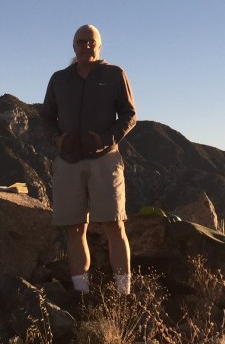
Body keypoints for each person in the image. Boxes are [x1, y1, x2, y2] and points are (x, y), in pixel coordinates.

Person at [39, 24, 137, 295]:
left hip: (105, 159)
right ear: (73, 46)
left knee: (114, 225)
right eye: (81, 42)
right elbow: (46, 116)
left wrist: (107, 138)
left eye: (91, 41)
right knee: (75, 229)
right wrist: (56, 139)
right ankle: (81, 294)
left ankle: (124, 294)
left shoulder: (114, 74)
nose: (86, 46)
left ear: (100, 45)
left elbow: (129, 114)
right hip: (68, 161)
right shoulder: (59, 79)